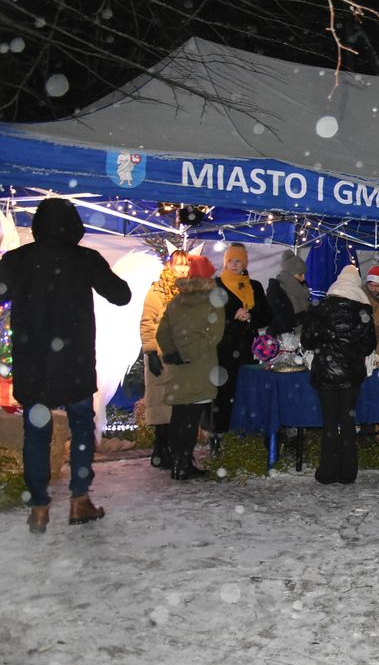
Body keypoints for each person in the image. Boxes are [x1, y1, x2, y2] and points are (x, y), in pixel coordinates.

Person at [0, 197, 131, 533]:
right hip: (75, 362)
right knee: (82, 427)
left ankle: (40, 507)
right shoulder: (84, 258)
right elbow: (121, 295)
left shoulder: (18, 260)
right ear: (75, 226)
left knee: (36, 434)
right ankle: (78, 500)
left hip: (33, 363)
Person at [300, 265, 376, 485]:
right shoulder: (363, 310)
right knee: (348, 421)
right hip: (352, 375)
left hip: (325, 372)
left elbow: (307, 341)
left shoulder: (319, 308)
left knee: (330, 422)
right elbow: (369, 345)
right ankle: (348, 472)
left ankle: (327, 472)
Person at [155, 255, 224, 480]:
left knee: (179, 415)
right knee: (192, 417)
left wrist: (173, 352)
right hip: (201, 366)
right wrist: (194, 351)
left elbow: (161, 333)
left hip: (179, 368)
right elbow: (215, 335)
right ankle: (184, 464)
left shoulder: (176, 301)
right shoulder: (213, 301)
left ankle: (177, 462)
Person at [207, 242, 270, 450]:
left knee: (243, 390)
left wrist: (251, 317)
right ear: (225, 262)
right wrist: (232, 318)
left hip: (247, 348)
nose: (234, 265)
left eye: (238, 261)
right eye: (231, 261)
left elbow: (265, 316)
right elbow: (210, 317)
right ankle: (218, 434)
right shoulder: (216, 285)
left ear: (245, 263)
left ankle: (241, 433)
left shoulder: (255, 286)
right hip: (223, 348)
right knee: (223, 392)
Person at [138, 249, 189, 469]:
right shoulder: (157, 290)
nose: (183, 269)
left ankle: (171, 449)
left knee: (176, 405)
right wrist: (150, 352)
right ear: (170, 265)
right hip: (161, 354)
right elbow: (147, 322)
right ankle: (161, 449)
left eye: (186, 265)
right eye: (179, 264)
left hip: (180, 356)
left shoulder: (188, 291)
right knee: (161, 404)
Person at [265, 249, 311, 337]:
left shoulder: (301, 289)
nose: (303, 278)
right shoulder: (275, 289)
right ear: (291, 273)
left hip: (301, 336)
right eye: (300, 274)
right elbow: (281, 319)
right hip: (283, 339)